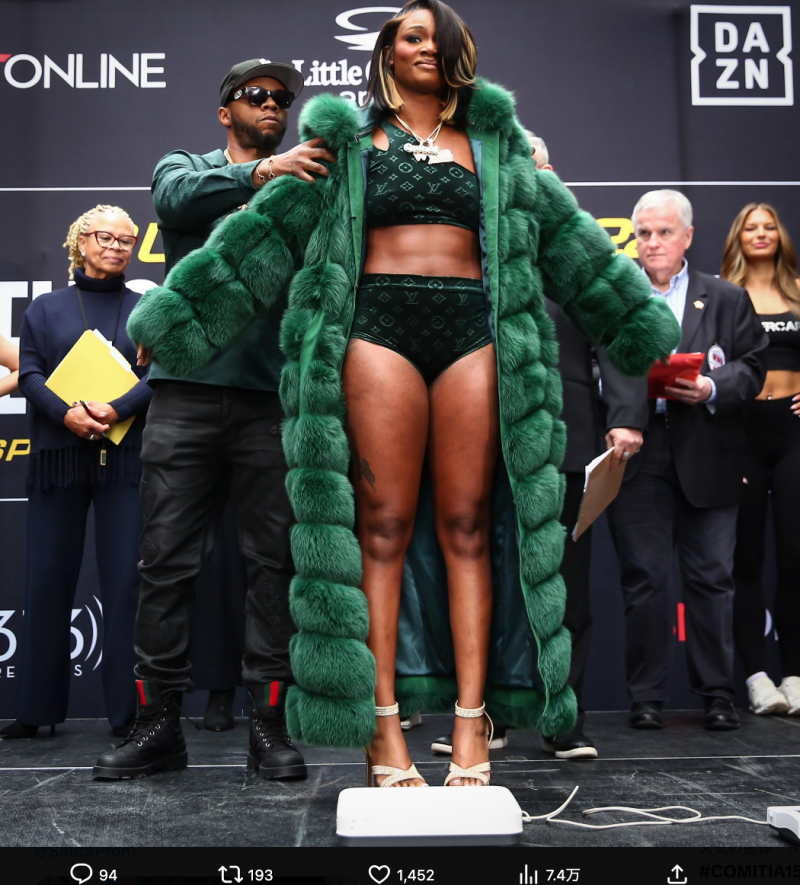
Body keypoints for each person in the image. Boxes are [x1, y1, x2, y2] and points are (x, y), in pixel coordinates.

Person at [124, 0, 679, 788]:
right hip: (377, 330)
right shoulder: (346, 141)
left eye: (437, 38)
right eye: (410, 36)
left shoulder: (499, 145)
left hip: (473, 332)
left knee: (468, 527)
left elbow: (568, 238)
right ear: (387, 51)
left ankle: (471, 725)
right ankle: (383, 730)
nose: (424, 47)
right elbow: (261, 236)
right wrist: (178, 318)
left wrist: (633, 320)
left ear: (458, 54)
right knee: (381, 527)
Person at [92, 59, 332, 781]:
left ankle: (268, 728)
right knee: (165, 563)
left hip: (270, 400)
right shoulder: (187, 168)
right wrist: (264, 172)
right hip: (185, 394)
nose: (272, 104)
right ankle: (158, 726)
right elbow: (173, 201)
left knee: (274, 567)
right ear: (226, 111)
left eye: (282, 98)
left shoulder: (309, 187)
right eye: (256, 95)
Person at [430, 132, 649, 762]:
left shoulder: (575, 246)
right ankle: (486, 720)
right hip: (476, 437)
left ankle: (562, 720)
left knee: (565, 586)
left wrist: (626, 417)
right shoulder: (459, 240)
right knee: (483, 579)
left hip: (565, 436)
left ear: (548, 173)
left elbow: (619, 328)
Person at [607, 189, 768, 732]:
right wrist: (625, 401)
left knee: (712, 580)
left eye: (665, 232)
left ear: (688, 237)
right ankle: (646, 697)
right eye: (644, 233)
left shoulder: (725, 297)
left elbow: (753, 365)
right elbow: (595, 363)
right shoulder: (614, 296)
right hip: (638, 453)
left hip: (709, 451)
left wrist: (711, 386)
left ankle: (718, 694)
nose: (653, 242)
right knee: (644, 582)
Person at [0, 205, 152, 740]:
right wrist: (66, 414)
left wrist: (117, 410)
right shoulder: (45, 308)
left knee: (126, 583)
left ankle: (128, 713)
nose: (116, 247)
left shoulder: (146, 309)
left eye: (126, 240)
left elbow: (158, 375)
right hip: (58, 460)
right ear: (80, 241)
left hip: (123, 463)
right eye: (105, 237)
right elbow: (30, 373)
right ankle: (35, 710)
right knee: (46, 580)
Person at [721, 203, 800, 716]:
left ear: (780, 236)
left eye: (769, 226)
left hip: (793, 433)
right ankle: (756, 678)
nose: (761, 233)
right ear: (738, 237)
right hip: (741, 432)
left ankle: (794, 675)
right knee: (745, 559)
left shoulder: (798, 291)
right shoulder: (724, 293)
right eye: (751, 227)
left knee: (794, 557)